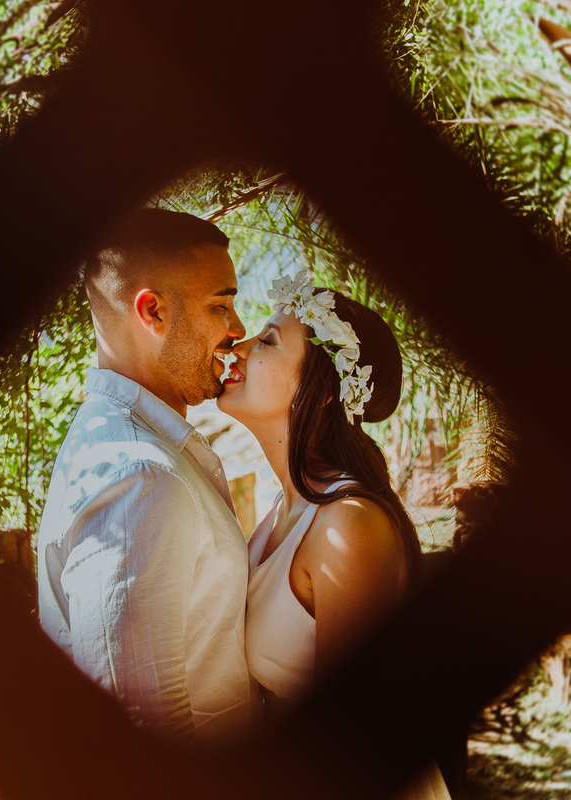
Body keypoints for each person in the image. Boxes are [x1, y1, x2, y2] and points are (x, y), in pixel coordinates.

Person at [218, 271, 451, 798]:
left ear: (322, 392)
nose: (240, 345)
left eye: (268, 340)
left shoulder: (349, 526)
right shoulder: (284, 512)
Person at [36, 208, 254, 742]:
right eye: (220, 305)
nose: (238, 329)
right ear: (152, 311)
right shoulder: (139, 478)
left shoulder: (137, 452)